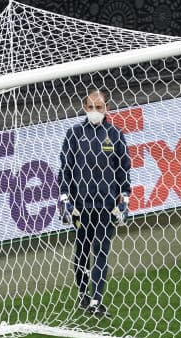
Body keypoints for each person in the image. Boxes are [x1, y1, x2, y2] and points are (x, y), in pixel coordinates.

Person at [57, 88, 132, 318]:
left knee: (101, 252)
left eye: (99, 107)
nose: (95, 111)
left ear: (106, 108)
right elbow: (65, 171)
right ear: (84, 108)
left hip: (105, 207)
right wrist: (65, 201)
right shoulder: (74, 134)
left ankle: (96, 300)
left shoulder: (116, 135)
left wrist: (125, 200)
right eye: (91, 107)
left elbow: (124, 170)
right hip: (81, 207)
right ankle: (82, 295)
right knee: (81, 253)